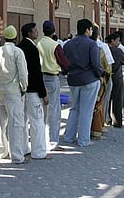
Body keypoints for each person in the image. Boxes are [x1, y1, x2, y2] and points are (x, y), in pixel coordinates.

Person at [0, 25, 29, 164]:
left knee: (0, 123)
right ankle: (17, 156)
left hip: (0, 91)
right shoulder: (17, 52)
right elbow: (23, 73)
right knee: (16, 124)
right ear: (15, 37)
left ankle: (2, 152)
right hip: (14, 92)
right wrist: (23, 87)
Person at [63, 19, 102, 147]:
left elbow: (65, 63)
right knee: (86, 110)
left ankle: (68, 137)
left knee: (74, 108)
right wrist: (99, 75)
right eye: (90, 29)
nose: (91, 31)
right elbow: (96, 64)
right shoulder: (92, 44)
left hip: (73, 80)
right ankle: (83, 140)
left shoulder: (68, 44)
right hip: (89, 79)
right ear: (87, 30)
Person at [18, 23, 51, 159]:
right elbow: (37, 73)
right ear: (29, 33)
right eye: (35, 31)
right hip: (33, 91)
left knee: (23, 121)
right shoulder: (32, 49)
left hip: (21, 91)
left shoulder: (19, 48)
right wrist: (43, 94)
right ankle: (39, 152)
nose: (37, 32)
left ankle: (24, 148)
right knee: (37, 121)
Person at [37, 20, 69, 151]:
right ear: (54, 31)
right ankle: (53, 142)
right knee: (54, 111)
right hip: (52, 77)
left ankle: (42, 140)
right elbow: (64, 62)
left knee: (43, 111)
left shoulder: (38, 43)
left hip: (41, 77)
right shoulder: (55, 45)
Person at [89, 25, 111, 139]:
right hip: (98, 80)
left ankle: (84, 131)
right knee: (98, 106)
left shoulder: (77, 45)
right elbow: (108, 66)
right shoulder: (101, 47)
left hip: (81, 80)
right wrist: (103, 75)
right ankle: (96, 130)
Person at [106, 33, 124, 127]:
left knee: (107, 99)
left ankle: (107, 120)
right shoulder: (117, 51)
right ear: (112, 41)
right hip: (117, 77)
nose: (118, 42)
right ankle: (117, 121)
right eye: (117, 40)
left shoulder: (104, 49)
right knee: (118, 100)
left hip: (106, 76)